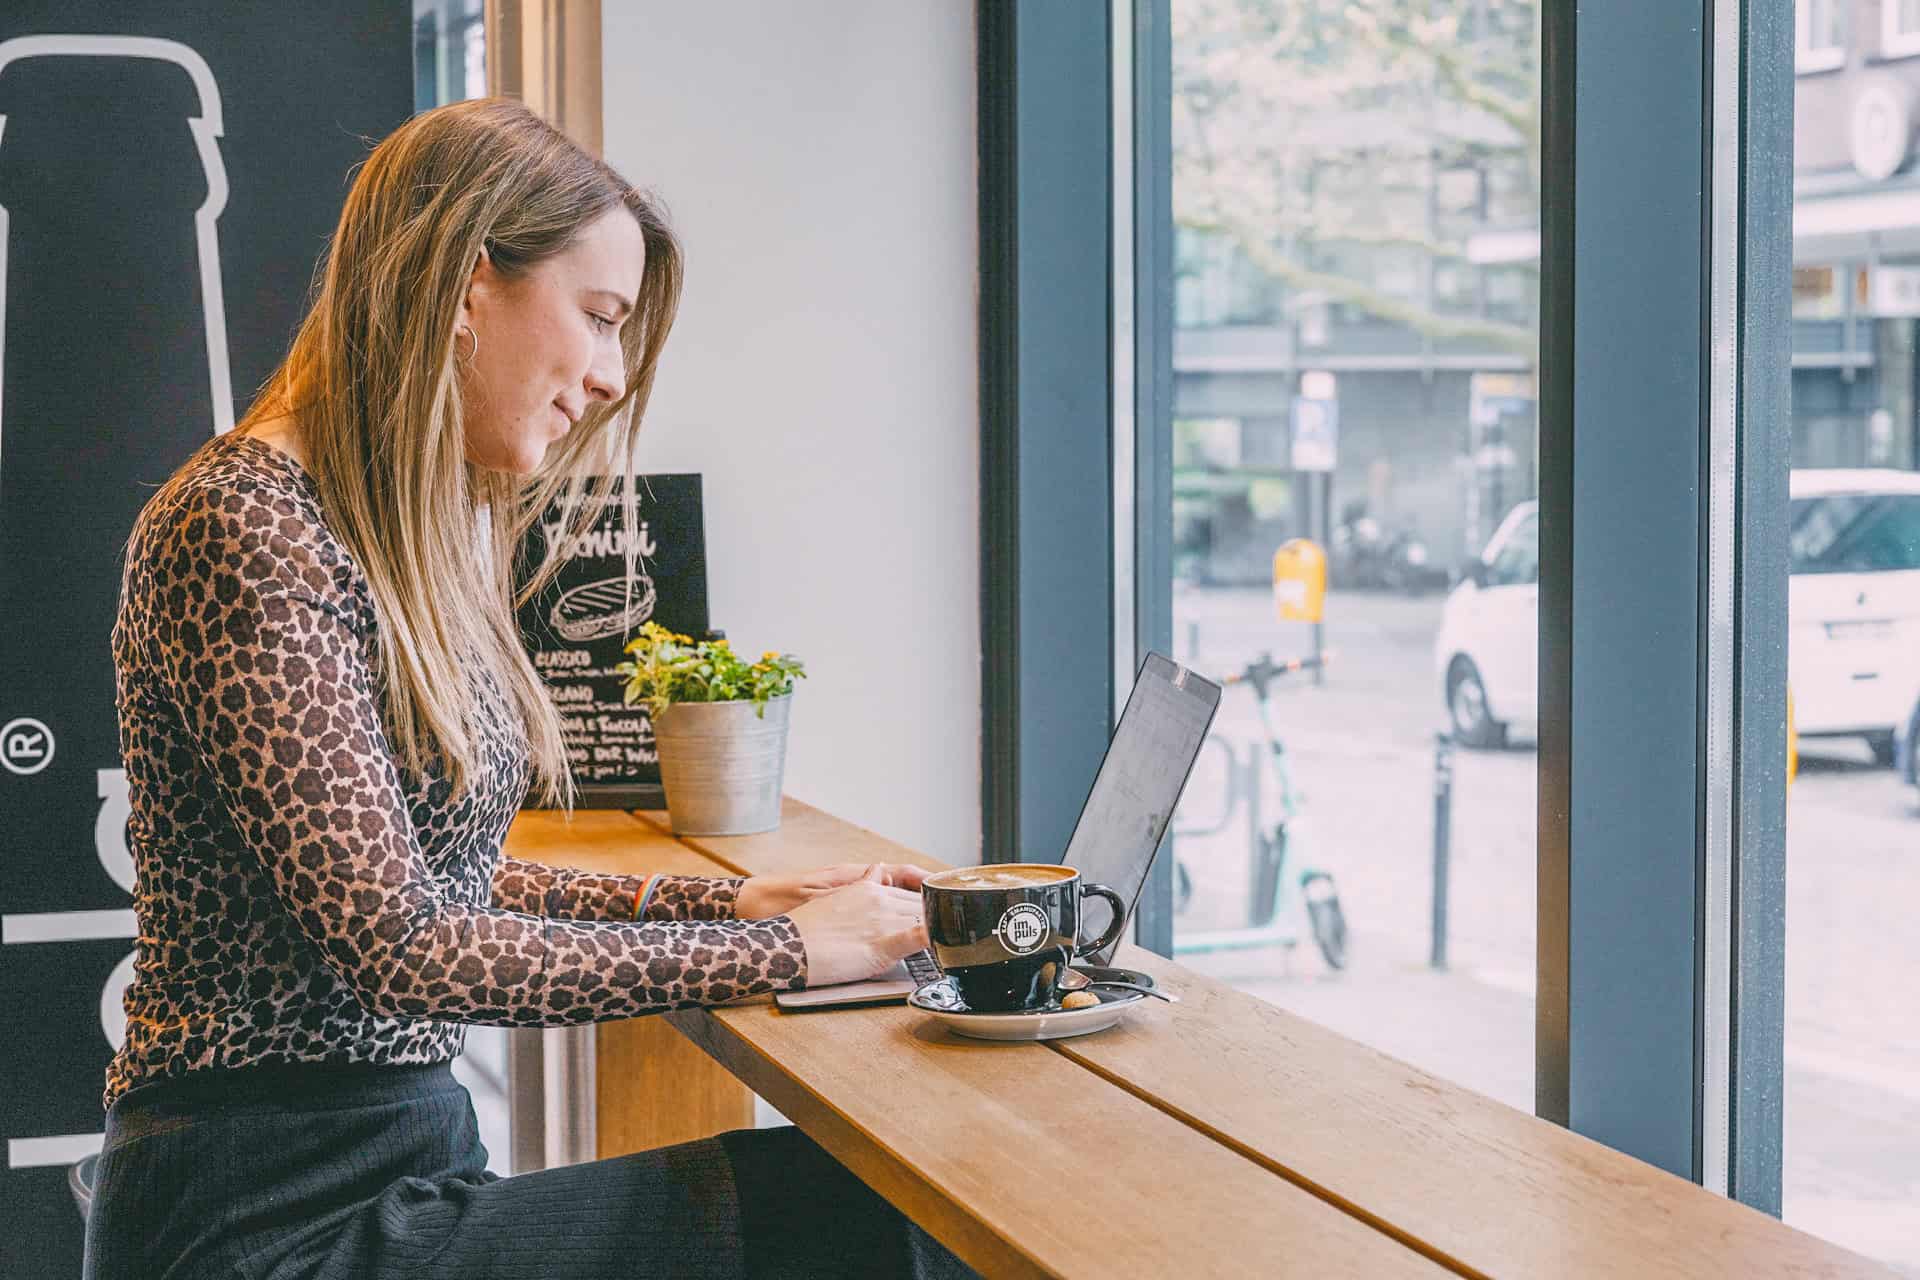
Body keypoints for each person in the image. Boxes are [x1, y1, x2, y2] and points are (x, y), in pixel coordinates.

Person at [85, 98, 973, 1280]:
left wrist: (734, 907)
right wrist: (792, 953)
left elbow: (431, 870)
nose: (610, 378)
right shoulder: (245, 527)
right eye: (600, 319)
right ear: (463, 286)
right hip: (259, 1218)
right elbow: (401, 942)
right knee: (868, 1214)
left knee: (873, 1202)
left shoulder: (379, 526)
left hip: (392, 1159)